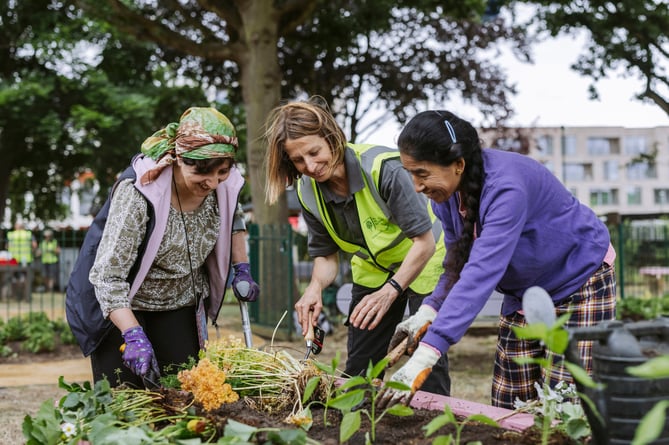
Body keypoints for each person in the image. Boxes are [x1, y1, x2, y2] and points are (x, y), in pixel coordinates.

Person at [377, 110, 616, 410]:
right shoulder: (446, 197)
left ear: (458, 164)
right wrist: (428, 311)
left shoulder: (506, 187)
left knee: (565, 402)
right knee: (508, 403)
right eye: (410, 173)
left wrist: (428, 353)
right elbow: (457, 263)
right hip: (524, 291)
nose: (416, 186)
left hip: (579, 280)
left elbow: (482, 271)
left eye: (422, 173)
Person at [264, 96, 450, 395]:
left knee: (426, 356)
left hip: (425, 261)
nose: (310, 166)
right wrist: (313, 289)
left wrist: (391, 291)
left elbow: (423, 242)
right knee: (359, 366)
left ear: (332, 138)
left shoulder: (384, 168)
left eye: (314, 152)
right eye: (298, 160)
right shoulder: (307, 191)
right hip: (374, 271)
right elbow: (326, 256)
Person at [83, 107, 259, 388]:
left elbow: (234, 219)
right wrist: (133, 334)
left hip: (180, 303)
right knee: (125, 401)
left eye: (222, 172)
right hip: (125, 307)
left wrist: (242, 268)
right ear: (178, 158)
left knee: (183, 395)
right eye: (201, 171)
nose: (212, 182)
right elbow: (108, 276)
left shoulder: (223, 187)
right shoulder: (139, 193)